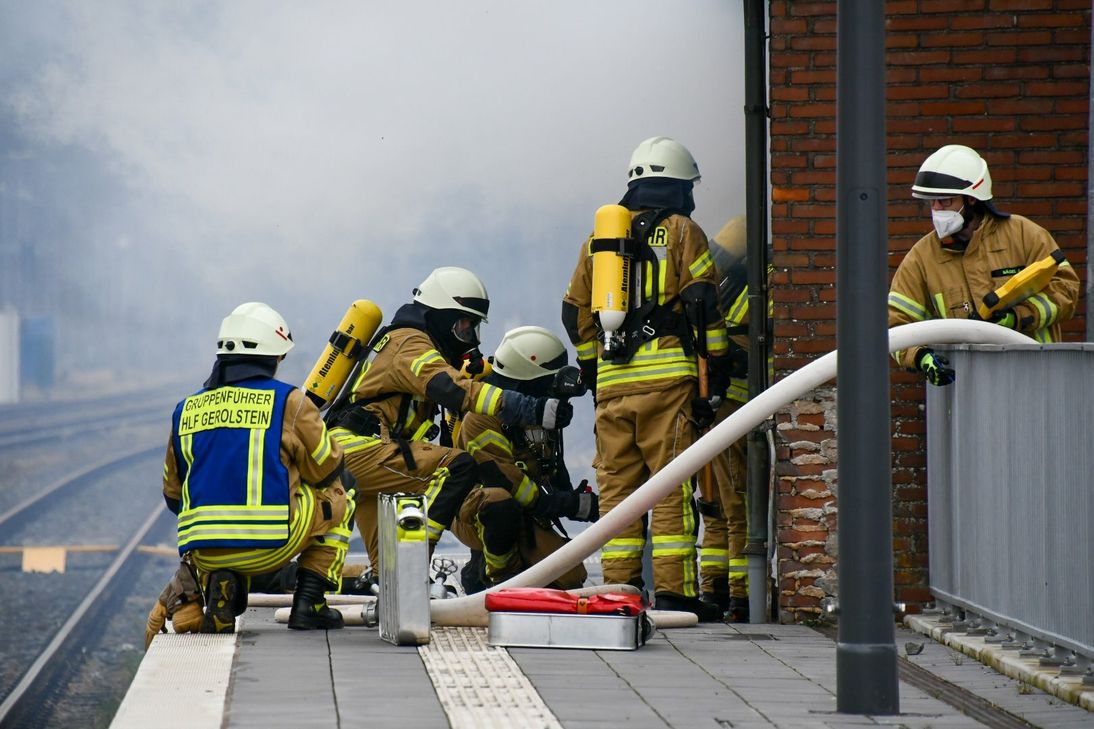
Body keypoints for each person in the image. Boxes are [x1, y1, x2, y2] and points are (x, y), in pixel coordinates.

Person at [561, 136, 733, 620]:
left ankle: (618, 590)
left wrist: (597, 370)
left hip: (613, 389)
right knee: (669, 486)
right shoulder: (683, 231)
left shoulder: (598, 240)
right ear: (679, 186)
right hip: (669, 384)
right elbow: (702, 304)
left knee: (618, 492)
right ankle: (675, 594)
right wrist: (714, 374)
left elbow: (573, 312)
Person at [328, 267, 573, 576]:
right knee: (457, 467)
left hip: (363, 458)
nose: (469, 338)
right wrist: (529, 408)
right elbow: (449, 388)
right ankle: (416, 555)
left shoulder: (408, 343)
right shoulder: (410, 343)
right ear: (442, 317)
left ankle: (317, 593)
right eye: (464, 326)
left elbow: (459, 377)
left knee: (392, 578)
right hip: (362, 451)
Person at [147, 302, 355, 645]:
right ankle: (311, 601)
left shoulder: (185, 409)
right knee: (343, 489)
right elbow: (327, 469)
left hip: (204, 553)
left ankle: (224, 579)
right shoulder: (289, 401)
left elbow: (173, 496)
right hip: (271, 546)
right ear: (274, 357)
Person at [888, 144, 1080, 385]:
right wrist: (920, 356)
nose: (936, 210)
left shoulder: (1024, 236)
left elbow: (1066, 290)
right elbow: (896, 326)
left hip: (1038, 383)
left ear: (971, 199)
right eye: (931, 203)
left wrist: (1017, 317)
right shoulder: (922, 259)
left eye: (945, 201)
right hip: (971, 395)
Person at [448, 326, 597, 594]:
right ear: (526, 381)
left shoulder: (537, 412)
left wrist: (576, 497)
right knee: (498, 505)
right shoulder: (480, 418)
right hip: (477, 511)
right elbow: (510, 485)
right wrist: (571, 505)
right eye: (549, 380)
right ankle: (496, 578)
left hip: (528, 510)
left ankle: (491, 566)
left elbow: (552, 465)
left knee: (569, 579)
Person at [697, 216, 760, 623]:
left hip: (718, 411)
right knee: (732, 507)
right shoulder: (747, 290)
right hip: (732, 413)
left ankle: (715, 591)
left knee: (718, 508)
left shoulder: (735, 290)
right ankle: (738, 598)